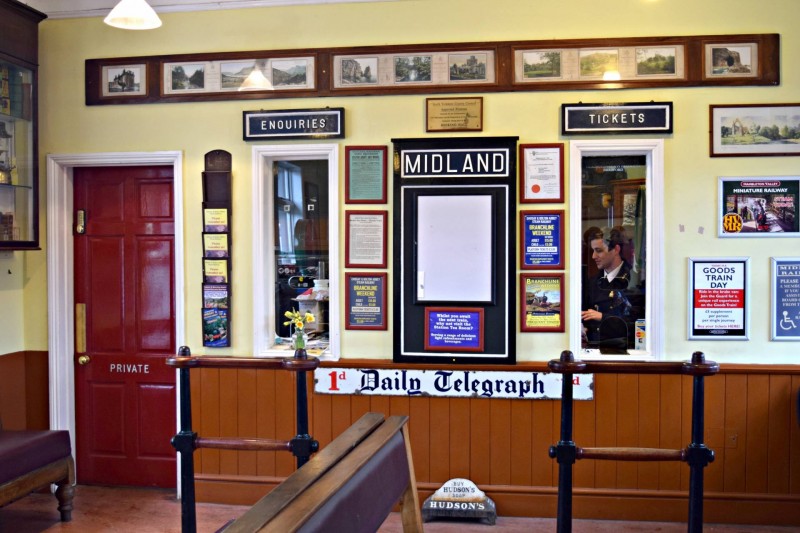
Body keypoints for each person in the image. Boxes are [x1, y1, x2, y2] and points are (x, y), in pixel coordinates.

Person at [581, 227, 641, 352]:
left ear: (616, 250)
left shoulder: (635, 280)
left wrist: (603, 317)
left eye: (599, 251)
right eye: (593, 251)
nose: (593, 256)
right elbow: (585, 313)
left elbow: (639, 322)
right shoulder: (592, 282)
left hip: (627, 351)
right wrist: (581, 327)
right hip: (594, 350)